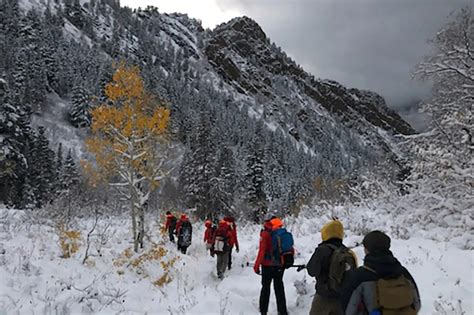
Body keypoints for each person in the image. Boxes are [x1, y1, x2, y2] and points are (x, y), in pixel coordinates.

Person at [342, 230, 421, 315]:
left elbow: (348, 310)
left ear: (366, 250)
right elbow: (416, 304)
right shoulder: (403, 272)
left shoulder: (359, 276)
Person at [306, 219, 357, 315]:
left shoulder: (321, 250)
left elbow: (311, 271)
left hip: (323, 297)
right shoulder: (348, 252)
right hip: (341, 298)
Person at [254, 217, 290, 315]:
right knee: (279, 287)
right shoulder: (282, 233)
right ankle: (282, 311)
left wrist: (256, 266)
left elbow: (262, 251)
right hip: (279, 265)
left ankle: (263, 310)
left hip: (267, 265)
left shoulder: (265, 233)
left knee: (266, 288)